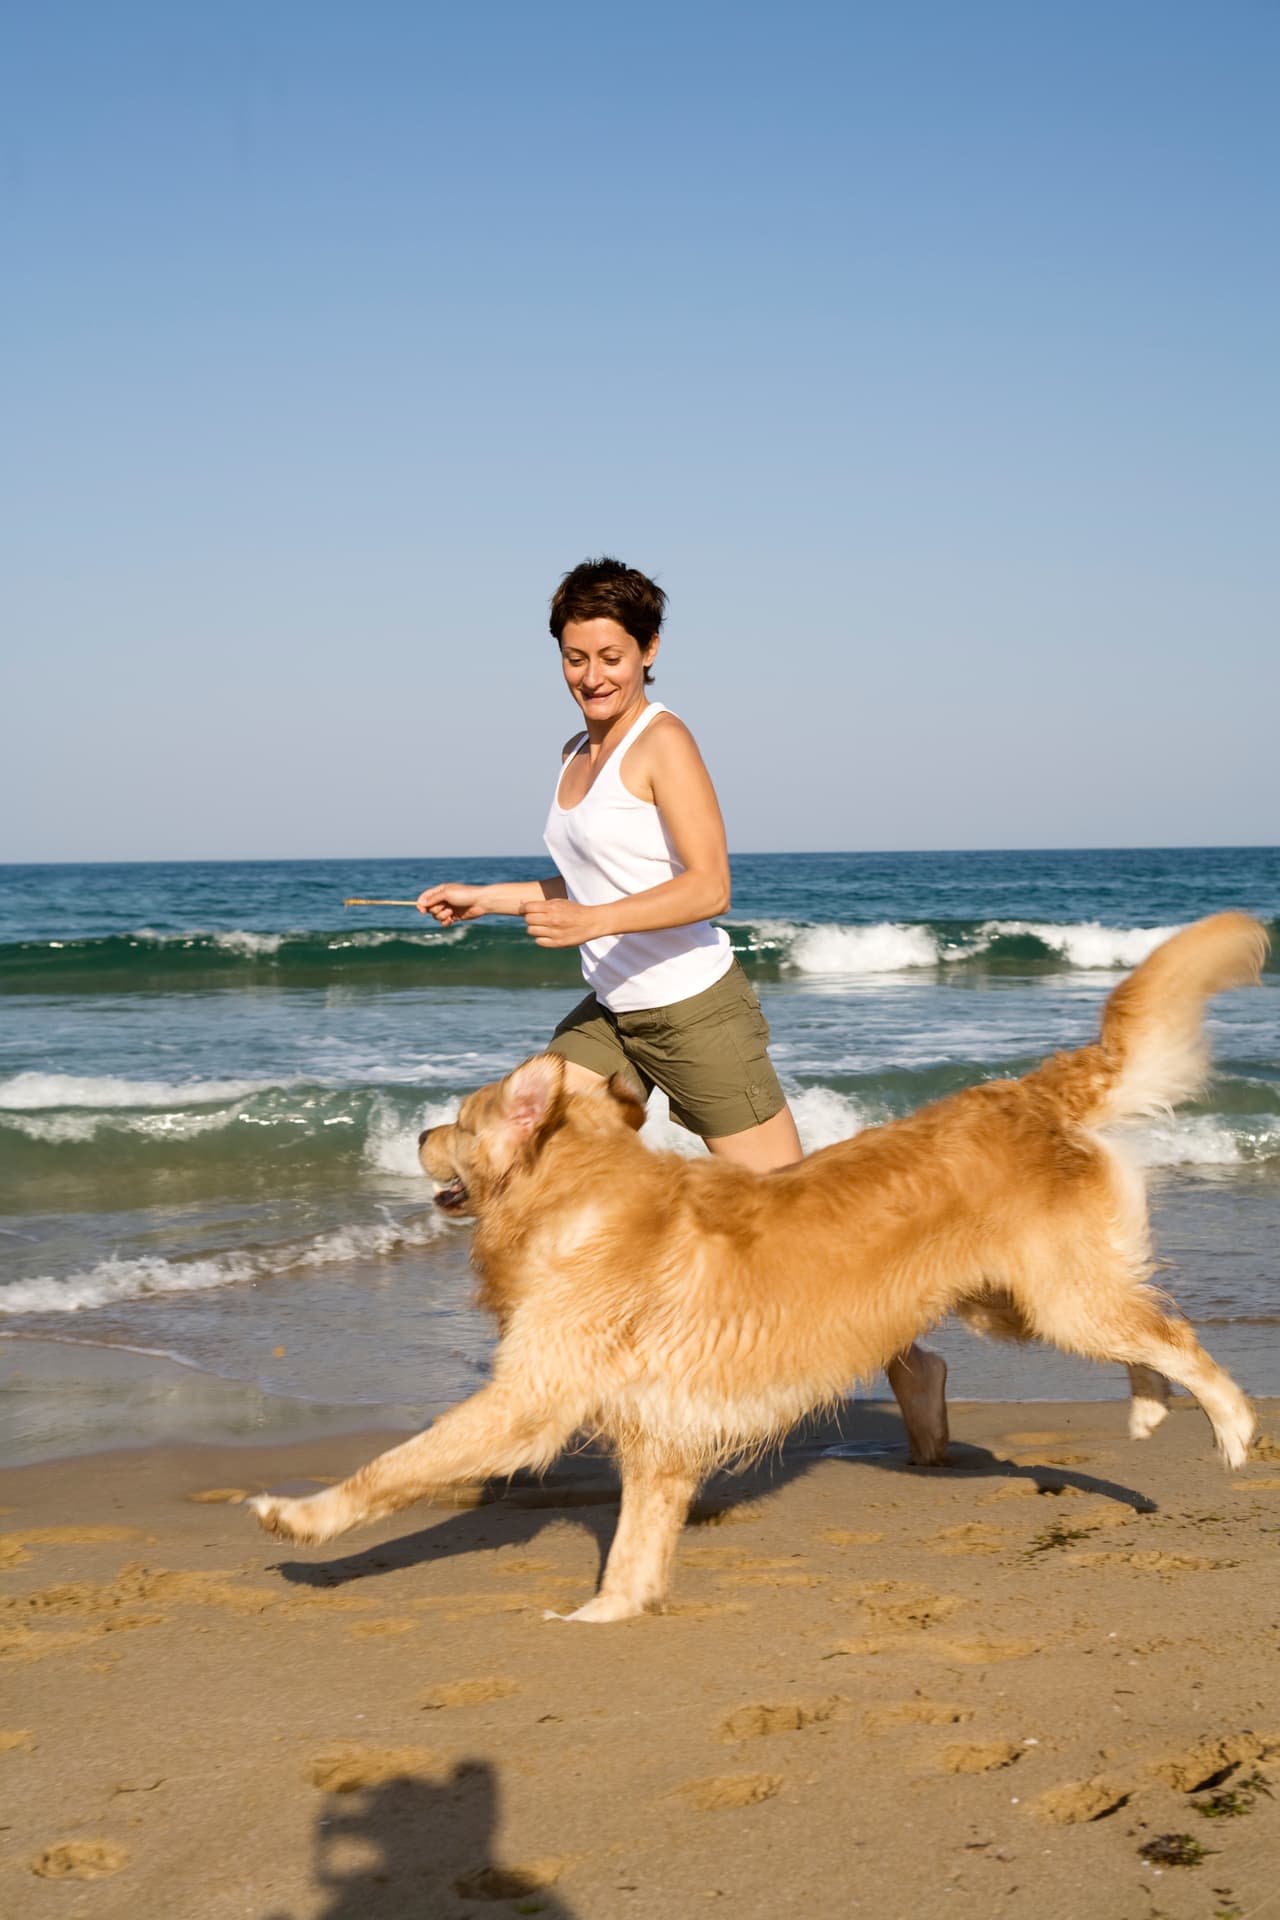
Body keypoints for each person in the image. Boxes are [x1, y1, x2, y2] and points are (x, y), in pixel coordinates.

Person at [417, 557, 948, 1462]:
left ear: (649, 651)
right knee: (528, 1154)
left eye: (612, 655)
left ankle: (909, 1364)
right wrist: (490, 896)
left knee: (795, 1230)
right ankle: (573, 1365)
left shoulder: (665, 742)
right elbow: (586, 876)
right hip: (613, 1011)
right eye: (575, 656)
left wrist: (592, 919)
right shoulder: (573, 757)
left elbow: (709, 886)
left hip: (696, 1013)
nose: (592, 674)